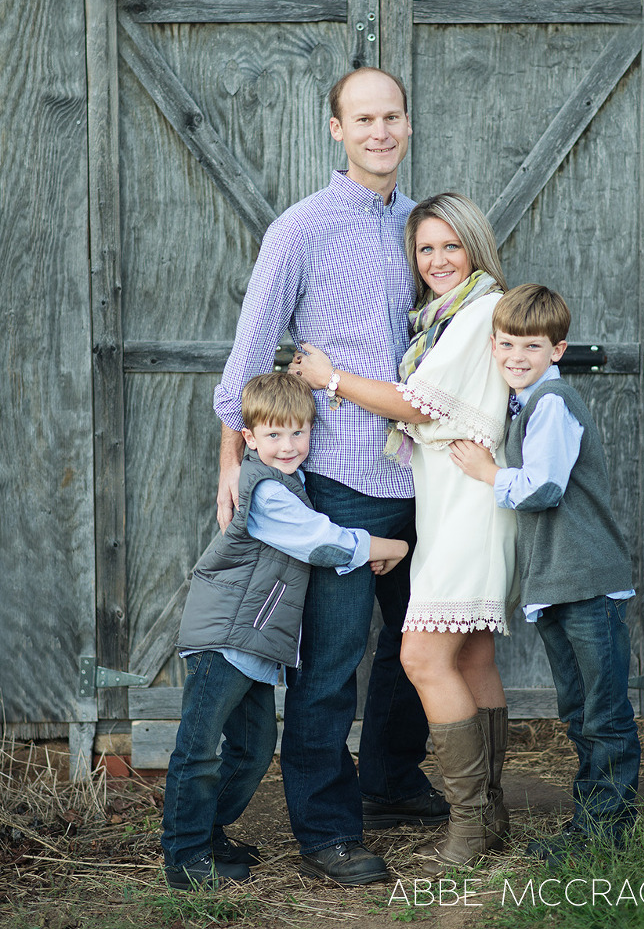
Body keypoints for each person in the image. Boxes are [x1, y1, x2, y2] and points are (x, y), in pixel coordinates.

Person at [213, 67, 446, 887]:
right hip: (343, 476)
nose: (380, 132)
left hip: (425, 474)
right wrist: (231, 459)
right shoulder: (300, 230)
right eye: (364, 119)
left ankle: (390, 779)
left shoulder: (423, 228)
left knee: (419, 645)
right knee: (331, 663)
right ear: (337, 129)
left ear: (407, 124)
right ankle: (326, 830)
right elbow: (249, 356)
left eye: (392, 117)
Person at [290, 192, 518, 874]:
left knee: (422, 656)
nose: (438, 260)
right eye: (426, 249)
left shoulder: (477, 313)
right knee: (472, 657)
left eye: (452, 246)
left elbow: (415, 404)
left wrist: (330, 378)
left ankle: (469, 831)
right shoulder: (449, 316)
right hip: (453, 504)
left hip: (467, 510)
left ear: (476, 248)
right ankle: (492, 816)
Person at [162, 373, 409, 890]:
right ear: (248, 437)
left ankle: (207, 833)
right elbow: (321, 542)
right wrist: (394, 547)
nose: (288, 445)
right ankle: (185, 856)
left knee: (252, 750)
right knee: (198, 748)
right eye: (273, 434)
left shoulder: (290, 483)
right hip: (224, 639)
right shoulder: (266, 489)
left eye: (299, 432)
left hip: (253, 645)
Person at [450, 283, 641, 867]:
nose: (516, 356)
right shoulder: (522, 403)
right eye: (507, 344)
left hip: (586, 581)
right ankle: (592, 827)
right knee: (579, 712)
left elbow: (544, 487)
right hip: (558, 583)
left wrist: (486, 471)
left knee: (603, 714)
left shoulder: (552, 401)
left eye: (531, 346)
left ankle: (605, 836)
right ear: (493, 345)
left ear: (557, 350)